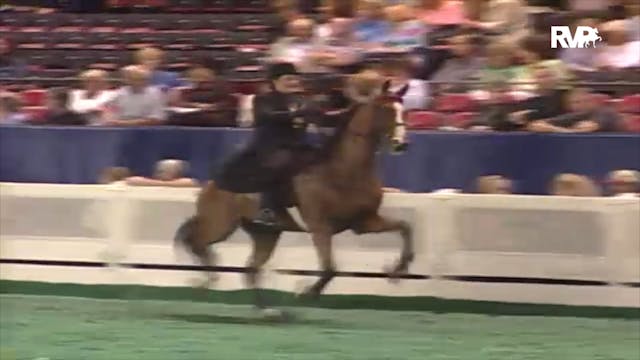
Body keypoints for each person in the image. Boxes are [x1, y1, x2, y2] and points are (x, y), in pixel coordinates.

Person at [216, 62, 323, 230]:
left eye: (295, 79)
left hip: (297, 145)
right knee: (279, 163)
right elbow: (268, 116)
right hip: (269, 147)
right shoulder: (262, 100)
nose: (293, 82)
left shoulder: (305, 100)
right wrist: (296, 114)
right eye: (288, 79)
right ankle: (266, 209)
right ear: (275, 81)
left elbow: (317, 117)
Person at [528, 88, 622, 133]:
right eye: (573, 103)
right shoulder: (573, 116)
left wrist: (552, 129)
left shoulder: (605, 112)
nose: (576, 106)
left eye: (580, 102)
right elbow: (535, 125)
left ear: (591, 101)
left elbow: (584, 130)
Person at [126, 159, 198, 187]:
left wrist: (164, 183)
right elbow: (131, 180)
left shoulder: (187, 182)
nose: (158, 173)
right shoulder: (150, 181)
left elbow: (194, 183)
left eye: (162, 171)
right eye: (158, 170)